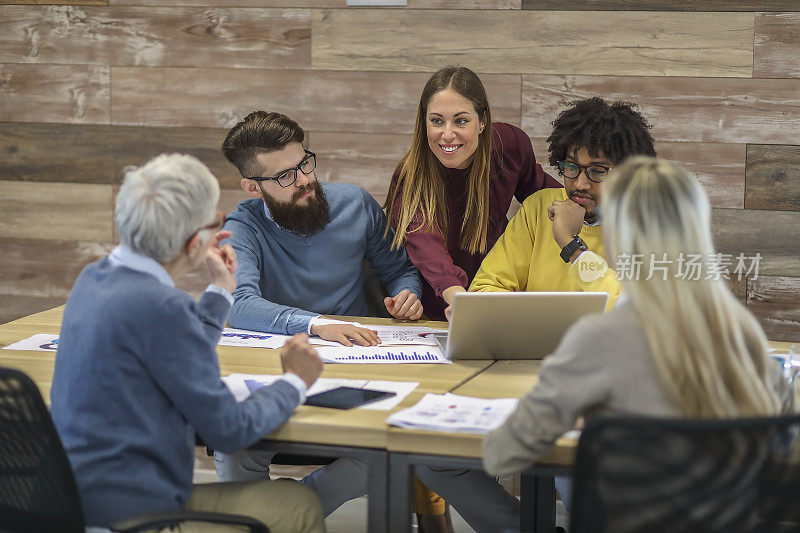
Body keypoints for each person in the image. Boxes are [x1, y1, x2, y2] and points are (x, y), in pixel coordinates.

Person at [483, 157, 794, 514]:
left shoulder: (598, 339)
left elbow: (501, 454)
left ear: (619, 235)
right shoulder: (746, 335)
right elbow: (782, 440)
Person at [50, 154, 325, 532]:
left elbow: (176, 348)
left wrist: (221, 290)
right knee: (297, 503)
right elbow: (230, 430)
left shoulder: (93, 278)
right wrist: (295, 381)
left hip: (72, 502)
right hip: (134, 517)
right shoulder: (165, 307)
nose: (220, 230)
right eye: (215, 222)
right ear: (196, 242)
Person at [221, 110, 423, 348]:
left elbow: (399, 270)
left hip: (359, 348)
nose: (304, 180)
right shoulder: (241, 229)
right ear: (254, 188)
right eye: (285, 176)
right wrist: (316, 324)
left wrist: (407, 295)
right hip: (285, 352)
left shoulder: (356, 203)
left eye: (304, 164)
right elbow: (238, 304)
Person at [385, 65, 562, 321]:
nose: (447, 134)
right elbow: (428, 247)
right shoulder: (411, 175)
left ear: (482, 121)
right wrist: (460, 299)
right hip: (439, 310)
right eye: (436, 121)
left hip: (498, 296)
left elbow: (545, 196)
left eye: (460, 121)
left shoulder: (509, 146)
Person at [470, 97, 658, 308]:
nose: (580, 183)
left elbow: (638, 310)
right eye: (572, 167)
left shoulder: (648, 226)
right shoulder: (539, 208)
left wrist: (571, 246)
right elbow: (482, 292)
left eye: (597, 171)